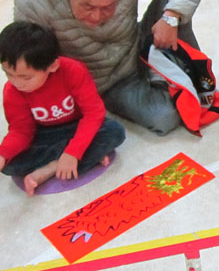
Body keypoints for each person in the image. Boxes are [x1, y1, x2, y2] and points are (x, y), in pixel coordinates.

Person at [14, 0, 205, 135]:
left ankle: (189, 74)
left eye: (109, 6)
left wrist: (170, 18)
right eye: (88, 6)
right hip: (104, 82)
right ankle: (168, 79)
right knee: (164, 117)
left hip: (136, 44)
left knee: (175, 0)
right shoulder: (33, 1)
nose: (97, 16)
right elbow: (25, 63)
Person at [0, 22, 125, 196]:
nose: (16, 82)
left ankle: (52, 167)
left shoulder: (73, 71)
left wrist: (73, 152)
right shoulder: (13, 90)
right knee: (10, 165)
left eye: (25, 77)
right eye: (8, 74)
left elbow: (93, 114)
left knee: (114, 132)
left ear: (52, 66)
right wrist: (3, 155)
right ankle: (86, 156)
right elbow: (21, 131)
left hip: (77, 125)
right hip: (44, 134)